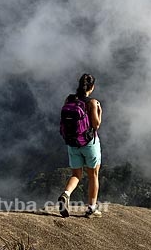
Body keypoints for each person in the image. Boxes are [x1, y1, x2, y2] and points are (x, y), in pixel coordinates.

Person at [58, 73, 103, 218]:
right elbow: (96, 125)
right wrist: (99, 111)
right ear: (92, 87)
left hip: (72, 143)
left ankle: (66, 194)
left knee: (76, 174)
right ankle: (91, 208)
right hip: (89, 144)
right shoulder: (92, 102)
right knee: (93, 175)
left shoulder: (69, 99)